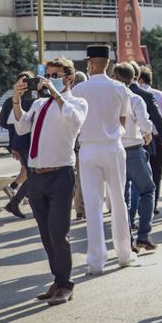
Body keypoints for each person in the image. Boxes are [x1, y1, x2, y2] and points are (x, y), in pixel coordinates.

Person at [12, 57, 88, 305]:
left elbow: (74, 121)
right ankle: (57, 279)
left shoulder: (76, 102)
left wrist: (55, 91)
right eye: (47, 74)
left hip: (60, 174)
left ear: (68, 77)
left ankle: (66, 283)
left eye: (55, 75)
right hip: (36, 175)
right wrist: (16, 98)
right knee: (45, 234)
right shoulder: (38, 103)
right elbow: (22, 127)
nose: (48, 79)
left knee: (58, 232)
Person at [70, 45, 138, 275]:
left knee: (93, 205)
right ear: (108, 63)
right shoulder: (120, 88)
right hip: (113, 146)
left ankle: (96, 261)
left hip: (88, 149)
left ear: (89, 63)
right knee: (118, 201)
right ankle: (124, 254)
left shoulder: (79, 89)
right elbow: (122, 122)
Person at [112, 63, 158, 252]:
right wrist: (146, 134)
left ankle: (127, 239)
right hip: (134, 149)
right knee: (147, 190)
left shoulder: (110, 98)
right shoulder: (135, 98)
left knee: (122, 198)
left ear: (115, 77)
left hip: (115, 151)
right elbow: (145, 124)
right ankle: (143, 236)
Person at [128, 63, 162, 217]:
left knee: (128, 183)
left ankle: (128, 217)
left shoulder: (115, 93)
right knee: (149, 178)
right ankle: (147, 209)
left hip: (119, 144)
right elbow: (159, 120)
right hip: (147, 140)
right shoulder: (146, 95)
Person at [0, 70, 35, 219]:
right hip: (28, 143)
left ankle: (15, 194)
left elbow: (4, 123)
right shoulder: (33, 100)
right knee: (32, 174)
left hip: (21, 143)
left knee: (30, 172)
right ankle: (15, 202)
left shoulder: (11, 101)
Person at [139, 66, 162, 212]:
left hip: (138, 138)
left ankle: (141, 203)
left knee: (139, 172)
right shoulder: (159, 95)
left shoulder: (133, 93)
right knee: (157, 171)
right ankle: (154, 203)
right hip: (157, 137)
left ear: (140, 79)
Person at [71, 71, 88, 220]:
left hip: (72, 145)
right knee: (84, 178)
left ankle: (79, 209)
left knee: (77, 179)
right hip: (84, 144)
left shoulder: (70, 97)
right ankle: (83, 208)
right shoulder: (86, 99)